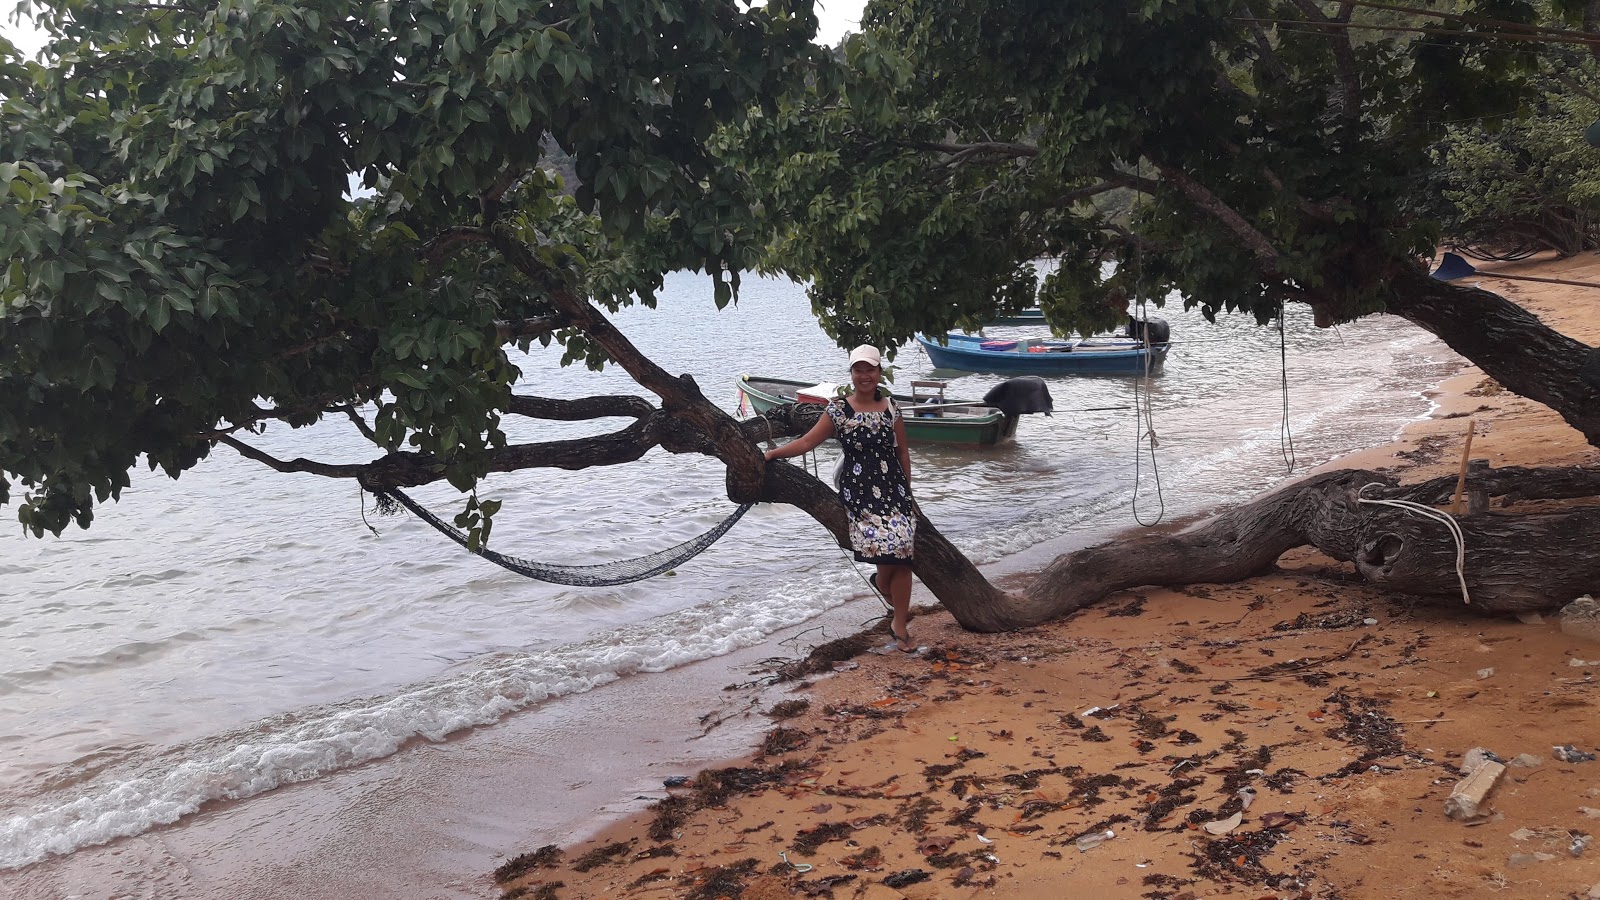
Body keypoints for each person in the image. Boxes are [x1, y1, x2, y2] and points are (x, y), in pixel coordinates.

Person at [764, 345, 920, 652]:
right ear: (851, 374)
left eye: (870, 369)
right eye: (858, 370)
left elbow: (902, 452)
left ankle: (898, 623)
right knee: (887, 549)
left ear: (879, 372)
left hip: (895, 488)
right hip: (860, 489)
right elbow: (807, 441)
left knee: (903, 551)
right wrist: (772, 453)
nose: (865, 375)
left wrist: (910, 492)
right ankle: (884, 587)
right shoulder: (838, 411)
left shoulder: (891, 408)